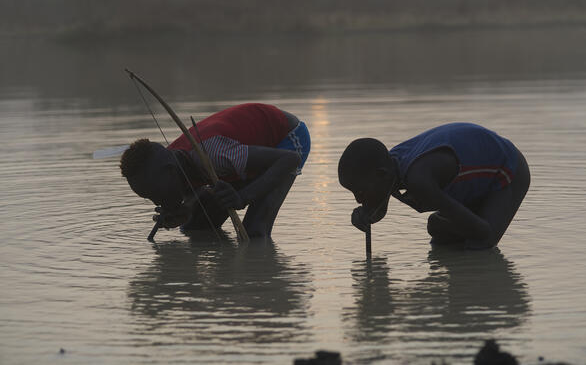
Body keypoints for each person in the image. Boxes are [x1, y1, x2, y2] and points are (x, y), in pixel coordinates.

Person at [120, 103, 310, 238]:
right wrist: (185, 209)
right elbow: (193, 187)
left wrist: (243, 197)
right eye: (150, 198)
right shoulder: (172, 161)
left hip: (286, 141)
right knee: (195, 228)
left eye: (156, 194)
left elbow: (290, 160)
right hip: (241, 153)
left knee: (254, 232)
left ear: (170, 173)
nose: (156, 202)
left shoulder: (213, 155)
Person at [338, 123, 530, 249]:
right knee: (440, 231)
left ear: (381, 175)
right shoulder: (389, 169)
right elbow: (379, 209)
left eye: (360, 191)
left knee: (478, 245)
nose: (358, 199)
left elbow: (483, 232)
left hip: (507, 169)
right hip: (472, 182)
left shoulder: (419, 180)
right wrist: (367, 217)